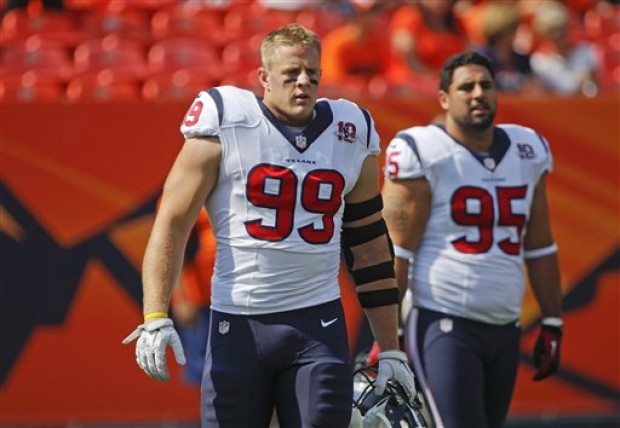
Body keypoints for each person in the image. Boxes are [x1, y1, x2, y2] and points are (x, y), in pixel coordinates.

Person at [123, 23, 415, 428]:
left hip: (318, 328)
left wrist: (391, 347)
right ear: (263, 77)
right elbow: (172, 223)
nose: (303, 84)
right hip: (238, 325)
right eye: (291, 74)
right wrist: (155, 314)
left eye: (312, 75)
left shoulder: (350, 131)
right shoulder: (226, 120)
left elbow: (368, 244)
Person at [381, 51, 563, 428]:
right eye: (467, 86)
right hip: (444, 320)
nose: (478, 93)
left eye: (486, 85)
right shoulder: (423, 150)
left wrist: (552, 319)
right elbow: (397, 251)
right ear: (444, 98)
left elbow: (540, 245)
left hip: (505, 324)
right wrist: (386, 337)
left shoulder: (527, 149)